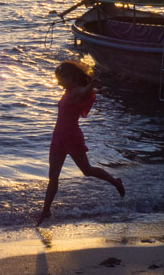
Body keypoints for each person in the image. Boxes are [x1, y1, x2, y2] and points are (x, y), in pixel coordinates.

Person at [35, 61, 125, 224]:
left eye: (60, 79)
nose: (58, 82)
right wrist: (92, 86)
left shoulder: (76, 91)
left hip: (72, 138)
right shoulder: (69, 90)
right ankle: (46, 211)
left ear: (70, 78)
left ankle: (115, 181)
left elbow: (85, 91)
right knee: (53, 176)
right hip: (58, 138)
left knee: (87, 170)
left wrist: (91, 85)